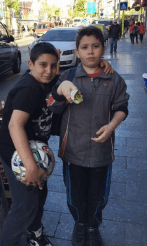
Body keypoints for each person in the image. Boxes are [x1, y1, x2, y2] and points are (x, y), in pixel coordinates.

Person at [0, 41, 113, 246]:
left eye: (53, 65)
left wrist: (100, 63)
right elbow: (15, 126)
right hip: (18, 155)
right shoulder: (28, 89)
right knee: (24, 205)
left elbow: (68, 77)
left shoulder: (48, 82)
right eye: (43, 65)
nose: (48, 71)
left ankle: (35, 234)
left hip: (36, 154)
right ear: (30, 64)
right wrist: (30, 166)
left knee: (39, 196)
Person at [47, 26, 129, 246]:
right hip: (73, 150)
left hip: (102, 151)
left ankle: (93, 225)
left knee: (99, 194)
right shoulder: (68, 76)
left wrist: (112, 126)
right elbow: (52, 107)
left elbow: (122, 107)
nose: (90, 52)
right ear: (77, 51)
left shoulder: (113, 79)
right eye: (84, 47)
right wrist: (61, 92)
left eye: (95, 46)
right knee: (74, 194)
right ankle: (79, 224)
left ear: (103, 48)